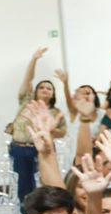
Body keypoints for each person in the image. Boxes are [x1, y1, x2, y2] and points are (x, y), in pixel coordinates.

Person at [9, 47, 68, 201]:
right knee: (24, 184)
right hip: (20, 149)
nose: (45, 90)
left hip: (44, 150)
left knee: (46, 183)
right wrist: (34, 59)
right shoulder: (26, 101)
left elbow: (63, 132)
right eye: (41, 87)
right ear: (35, 91)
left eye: (49, 88)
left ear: (53, 94)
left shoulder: (56, 112)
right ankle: (26, 213)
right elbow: (28, 80)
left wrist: (51, 129)